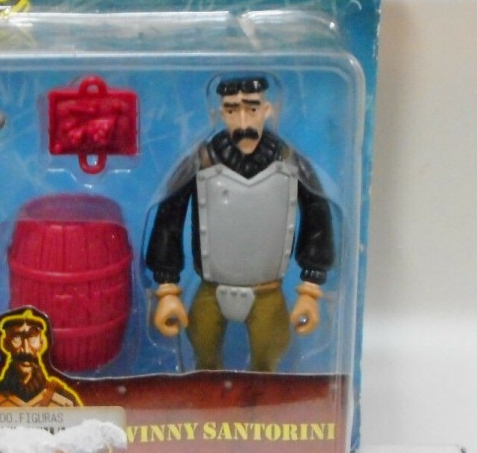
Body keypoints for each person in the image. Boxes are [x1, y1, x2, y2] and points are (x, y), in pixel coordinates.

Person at [144, 76, 335, 372]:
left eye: (252, 108)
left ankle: (262, 399)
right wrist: (167, 288)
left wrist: (310, 290)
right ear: (221, 113)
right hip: (211, 289)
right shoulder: (202, 161)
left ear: (268, 110)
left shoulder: (290, 163)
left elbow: (317, 216)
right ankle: (208, 395)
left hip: (267, 292)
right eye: (232, 110)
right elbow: (170, 215)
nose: (243, 121)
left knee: (268, 353)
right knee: (202, 347)